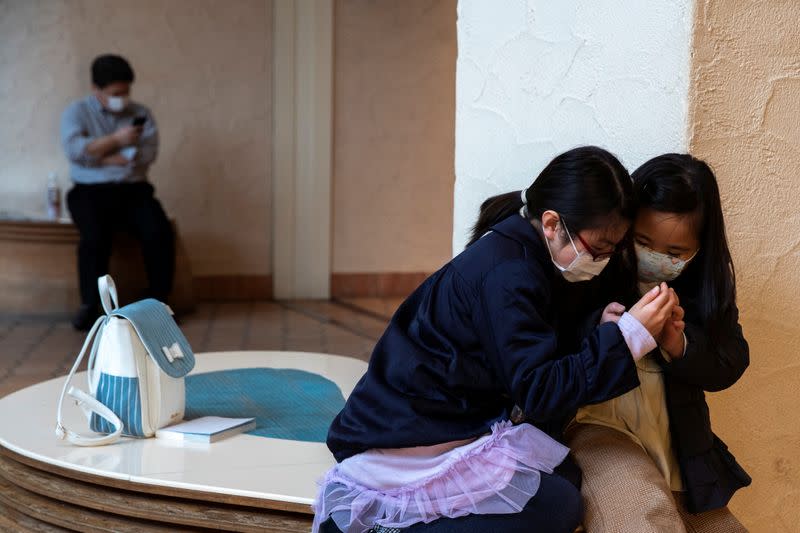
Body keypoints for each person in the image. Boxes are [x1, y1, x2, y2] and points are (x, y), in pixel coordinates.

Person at [314, 146, 680, 533]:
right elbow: (538, 389)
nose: (603, 260)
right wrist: (629, 337)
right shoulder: (510, 272)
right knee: (556, 505)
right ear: (553, 224)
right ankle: (382, 523)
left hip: (447, 422)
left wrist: (598, 328)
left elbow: (526, 346)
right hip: (409, 440)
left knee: (562, 482)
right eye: (599, 249)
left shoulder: (522, 248)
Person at [566, 154, 751, 532]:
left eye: (674, 253)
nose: (655, 259)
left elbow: (730, 360)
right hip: (597, 426)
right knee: (644, 517)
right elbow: (552, 342)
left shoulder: (704, 288)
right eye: (642, 241)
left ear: (699, 250)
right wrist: (603, 331)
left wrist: (679, 342)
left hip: (678, 444)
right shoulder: (594, 267)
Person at [60, 54, 174, 330]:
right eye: (115, 93)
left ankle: (159, 304)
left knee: (159, 231)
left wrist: (97, 153)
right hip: (89, 192)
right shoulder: (76, 113)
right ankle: (90, 306)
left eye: (125, 92)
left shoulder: (141, 113)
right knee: (94, 238)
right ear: (96, 90)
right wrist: (116, 142)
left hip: (133, 190)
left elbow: (146, 154)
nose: (121, 98)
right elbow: (75, 152)